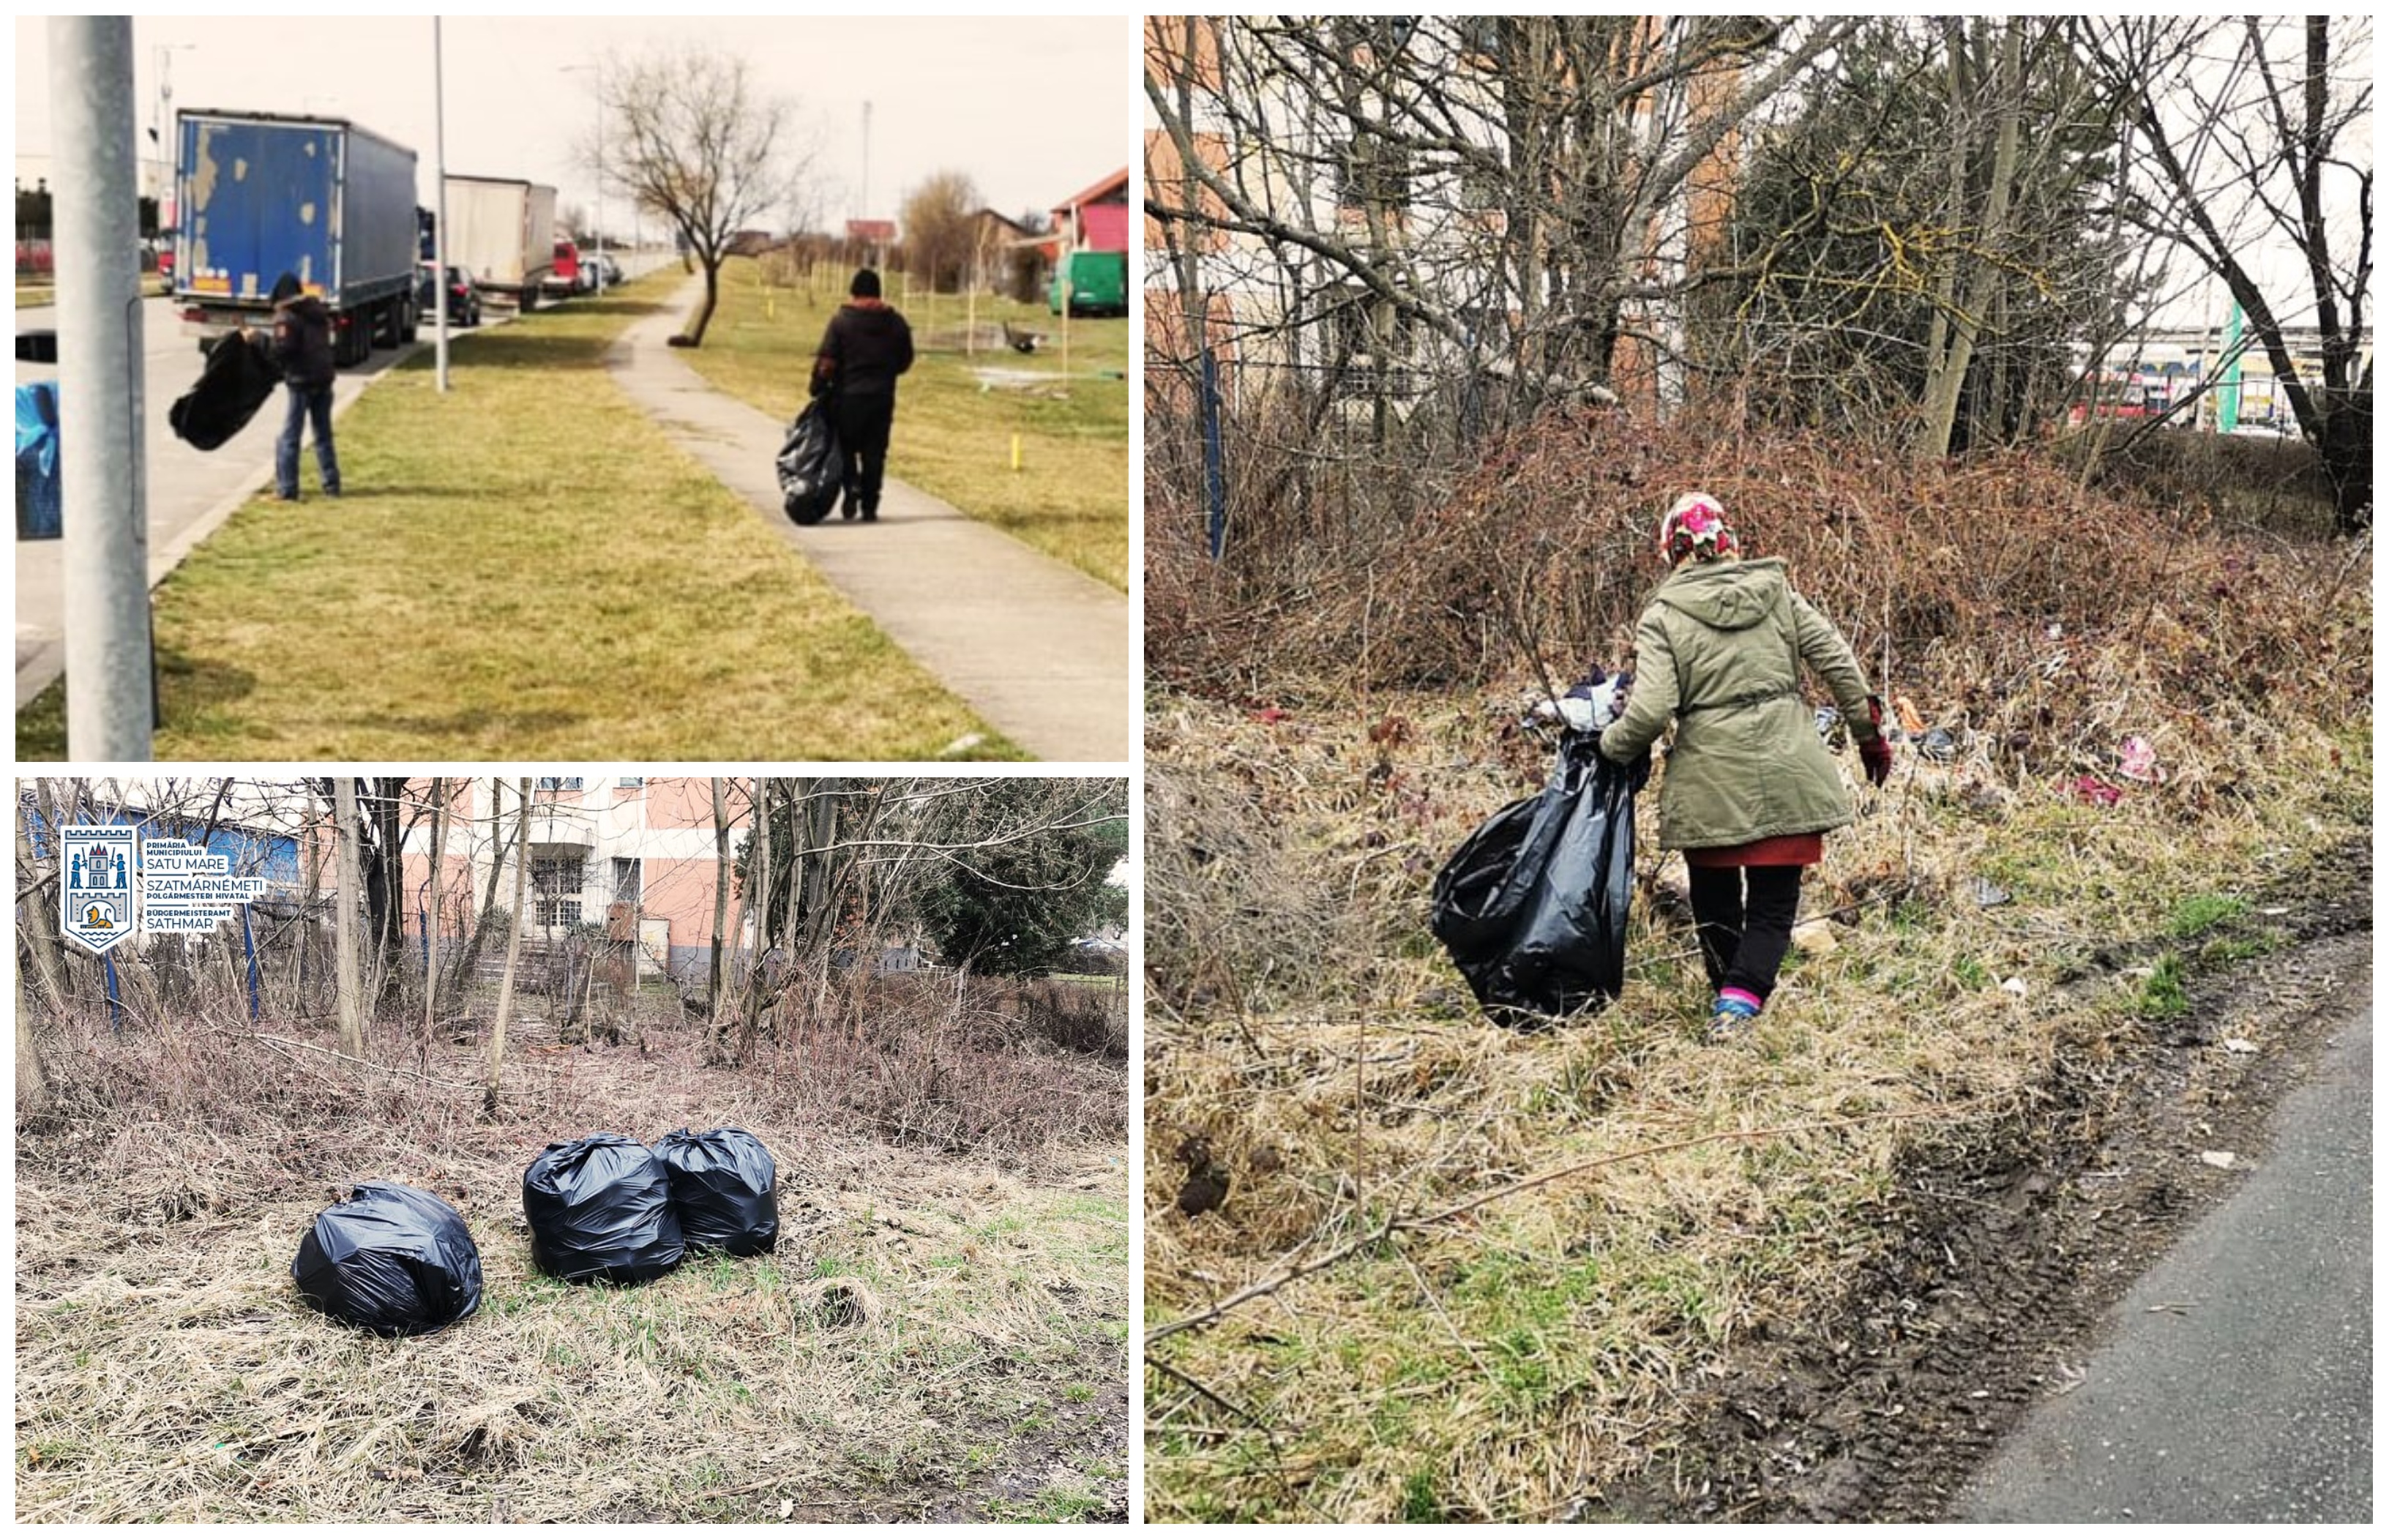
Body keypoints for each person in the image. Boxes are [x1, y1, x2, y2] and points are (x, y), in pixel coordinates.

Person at [1593, 492, 1892, 1039]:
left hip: (1710, 777)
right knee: (1775, 903)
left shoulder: (1663, 616)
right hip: (1789, 766)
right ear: (1728, 540)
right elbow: (1840, 665)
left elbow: (1652, 709)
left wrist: (1608, 749)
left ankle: (1731, 998)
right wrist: (1869, 737)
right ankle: (1740, 998)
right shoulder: (1777, 593)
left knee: (1714, 900)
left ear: (1670, 551)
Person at [809, 269, 913, 522]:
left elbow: (827, 361)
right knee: (875, 452)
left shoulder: (842, 322)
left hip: (848, 397)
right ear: (879, 293)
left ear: (854, 292)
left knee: (844, 446)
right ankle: (870, 505)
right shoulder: (897, 323)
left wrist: (817, 385)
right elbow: (906, 359)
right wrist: (887, 373)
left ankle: (851, 485)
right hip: (882, 397)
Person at [261, 272, 340, 501]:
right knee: (323, 435)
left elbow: (282, 350)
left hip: (301, 380)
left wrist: (259, 340)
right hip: (324, 378)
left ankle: (287, 489)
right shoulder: (318, 312)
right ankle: (332, 485)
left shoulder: (286, 317)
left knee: (289, 437)